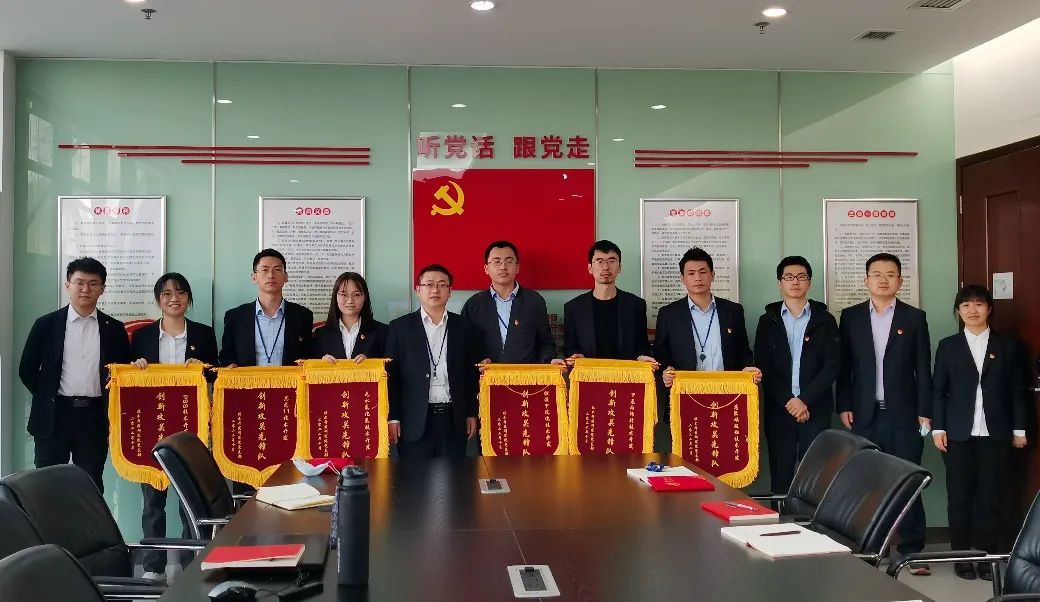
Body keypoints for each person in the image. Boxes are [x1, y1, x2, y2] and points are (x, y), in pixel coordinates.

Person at [837, 252, 932, 573]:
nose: (883, 279)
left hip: (904, 415)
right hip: (864, 414)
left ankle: (911, 551)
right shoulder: (851, 317)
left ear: (900, 281)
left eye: (890, 274)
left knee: (909, 480)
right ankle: (870, 550)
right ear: (866, 280)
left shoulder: (914, 318)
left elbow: (923, 368)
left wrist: (924, 410)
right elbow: (844, 368)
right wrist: (844, 404)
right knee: (868, 482)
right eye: (876, 274)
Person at [932, 285, 1028, 581]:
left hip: (996, 433)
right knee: (959, 497)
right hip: (957, 433)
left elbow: (1017, 391)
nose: (972, 310)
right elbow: (939, 391)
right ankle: (961, 556)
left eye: (978, 304)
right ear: (958, 311)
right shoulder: (948, 346)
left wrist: (1020, 429)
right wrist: (938, 428)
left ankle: (987, 557)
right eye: (965, 305)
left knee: (991, 497)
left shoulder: (1008, 346)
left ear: (989, 309)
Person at [128, 273, 219, 583]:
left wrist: (204, 369)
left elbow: (215, 375)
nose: (174, 298)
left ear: (189, 298)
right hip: (152, 426)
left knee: (189, 500)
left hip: (190, 428)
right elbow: (127, 380)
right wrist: (136, 368)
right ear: (158, 300)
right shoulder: (142, 336)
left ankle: (190, 563)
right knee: (152, 502)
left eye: (180, 292)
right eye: (166, 293)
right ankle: (153, 566)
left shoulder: (203, 334)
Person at [18, 257, 131, 493]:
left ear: (102, 289)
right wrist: (47, 395)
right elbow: (27, 369)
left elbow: (122, 373)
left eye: (93, 283)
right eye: (79, 282)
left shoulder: (114, 329)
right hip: (54, 416)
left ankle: (86, 520)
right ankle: (49, 520)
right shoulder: (46, 324)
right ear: (67, 285)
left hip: (94, 417)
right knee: (47, 485)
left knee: (90, 484)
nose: (85, 289)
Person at [753, 257, 839, 494]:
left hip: (815, 408)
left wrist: (804, 400)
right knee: (781, 472)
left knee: (815, 475)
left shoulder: (825, 320)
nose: (795, 282)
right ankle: (782, 517)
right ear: (780, 283)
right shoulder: (768, 321)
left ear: (809, 283)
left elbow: (832, 365)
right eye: (789, 277)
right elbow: (763, 366)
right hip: (780, 409)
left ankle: (811, 518)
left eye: (801, 277)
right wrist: (789, 401)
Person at [386, 264, 483, 458]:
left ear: (450, 291)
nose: (435, 290)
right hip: (413, 420)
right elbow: (392, 377)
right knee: (414, 475)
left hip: (453, 419)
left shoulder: (464, 327)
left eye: (442, 285)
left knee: (454, 475)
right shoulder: (399, 328)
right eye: (429, 284)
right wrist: (393, 417)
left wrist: (471, 412)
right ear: (418, 289)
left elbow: (470, 375)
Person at [654, 247, 760, 386]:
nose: (697, 278)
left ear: (712, 275)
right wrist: (666, 370)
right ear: (682, 279)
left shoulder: (733, 311)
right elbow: (660, 353)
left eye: (703, 272)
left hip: (727, 388)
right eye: (691, 273)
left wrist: (747, 368)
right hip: (684, 389)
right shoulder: (668, 314)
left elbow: (743, 349)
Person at [460, 241, 559, 366]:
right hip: (486, 374)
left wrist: (550, 360)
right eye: (497, 261)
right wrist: (477, 360)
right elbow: (464, 344)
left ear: (517, 267)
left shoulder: (534, 301)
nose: (503, 267)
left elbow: (545, 341)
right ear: (486, 268)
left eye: (509, 261)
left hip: (525, 374)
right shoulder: (473, 304)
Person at [563, 240, 655, 364]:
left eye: (612, 261)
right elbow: (569, 347)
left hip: (626, 372)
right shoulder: (574, 308)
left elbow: (641, 345)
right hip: (589, 372)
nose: (606, 267)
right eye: (599, 261)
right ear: (590, 268)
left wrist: (641, 357)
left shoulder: (636, 305)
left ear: (620, 267)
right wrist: (575, 356)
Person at [219, 249, 313, 367]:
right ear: (254, 277)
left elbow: (309, 354)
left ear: (286, 277)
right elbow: (226, 355)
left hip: (290, 379)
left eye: (277, 270)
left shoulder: (303, 315)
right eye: (265, 270)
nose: (271, 275)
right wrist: (231, 365)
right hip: (249, 379)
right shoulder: (236, 317)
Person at [312, 272, 387, 362]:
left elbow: (391, 366)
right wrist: (320, 363)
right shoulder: (321, 334)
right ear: (335, 297)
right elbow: (309, 366)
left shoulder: (382, 332)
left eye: (356, 295)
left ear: (365, 297)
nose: (350, 301)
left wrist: (371, 363)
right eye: (344, 294)